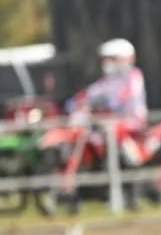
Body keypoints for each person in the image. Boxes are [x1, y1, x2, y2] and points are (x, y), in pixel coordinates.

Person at [64, 38, 149, 167]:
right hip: (109, 119)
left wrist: (107, 104)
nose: (106, 63)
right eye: (105, 59)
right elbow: (89, 93)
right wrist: (73, 103)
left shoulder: (133, 76)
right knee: (92, 131)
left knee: (111, 130)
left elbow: (123, 96)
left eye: (111, 59)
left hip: (132, 121)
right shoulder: (108, 81)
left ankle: (131, 161)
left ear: (123, 59)